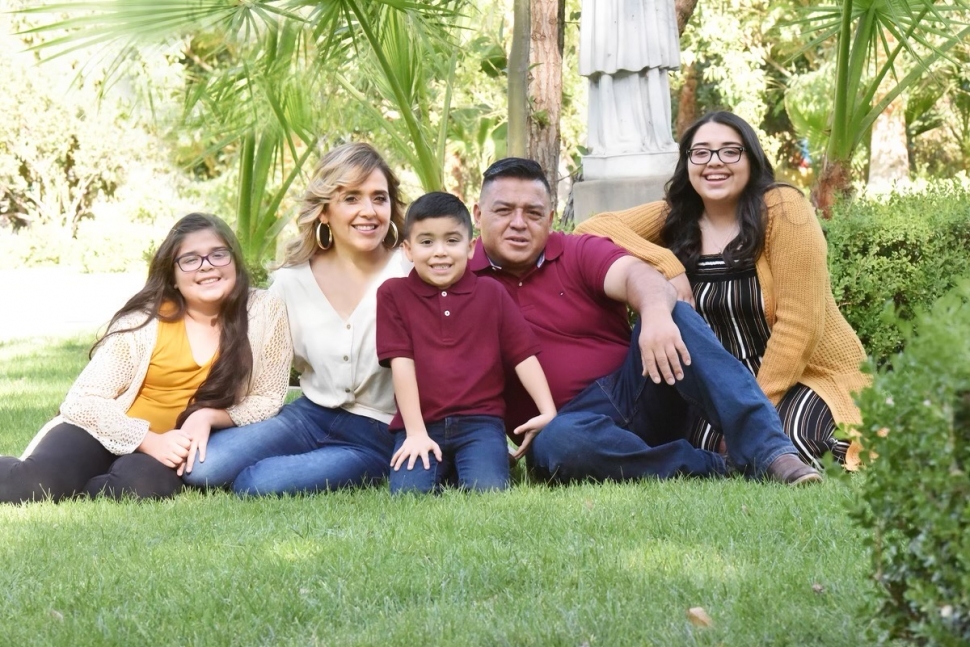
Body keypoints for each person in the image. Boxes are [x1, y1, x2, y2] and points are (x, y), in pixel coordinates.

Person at [470, 157, 821, 485]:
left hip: (635, 392)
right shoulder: (457, 284)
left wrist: (654, 317)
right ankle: (717, 466)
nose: (519, 223)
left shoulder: (576, 252)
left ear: (549, 219)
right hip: (564, 427)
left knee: (673, 313)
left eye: (533, 213)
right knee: (559, 445)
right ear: (478, 214)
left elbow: (638, 275)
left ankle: (771, 453)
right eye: (504, 211)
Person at [576, 111, 869, 467]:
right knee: (715, 449)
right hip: (718, 385)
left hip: (801, 375)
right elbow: (590, 230)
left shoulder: (782, 208)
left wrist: (754, 411)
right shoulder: (677, 216)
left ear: (751, 159)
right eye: (701, 152)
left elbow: (800, 325)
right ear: (687, 163)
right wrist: (667, 264)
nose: (714, 163)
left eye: (730, 151)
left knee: (792, 443)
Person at [0, 213, 292, 503]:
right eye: (190, 259)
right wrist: (148, 440)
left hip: (170, 445)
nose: (207, 266)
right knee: (32, 486)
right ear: (173, 276)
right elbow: (83, 400)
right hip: (104, 429)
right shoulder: (143, 322)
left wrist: (210, 416)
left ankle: (81, 481)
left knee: (144, 487)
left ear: (235, 262)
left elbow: (268, 397)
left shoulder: (264, 311)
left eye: (218, 254)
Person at [182, 143, 409, 495]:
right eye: (351, 198)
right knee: (202, 469)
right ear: (323, 211)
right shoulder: (291, 281)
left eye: (379, 198)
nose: (369, 211)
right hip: (308, 416)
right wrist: (208, 415)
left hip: (376, 432)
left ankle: (339, 465)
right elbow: (259, 373)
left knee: (258, 483)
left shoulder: (409, 271)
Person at [376, 192, 556, 493]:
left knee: (488, 490)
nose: (440, 252)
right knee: (409, 494)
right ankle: (448, 465)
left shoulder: (492, 293)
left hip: (480, 424)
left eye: (451, 240)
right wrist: (416, 433)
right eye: (426, 242)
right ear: (408, 249)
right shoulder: (394, 295)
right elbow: (401, 365)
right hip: (423, 423)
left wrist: (548, 411)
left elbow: (524, 356)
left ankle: (484, 459)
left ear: (471, 247)